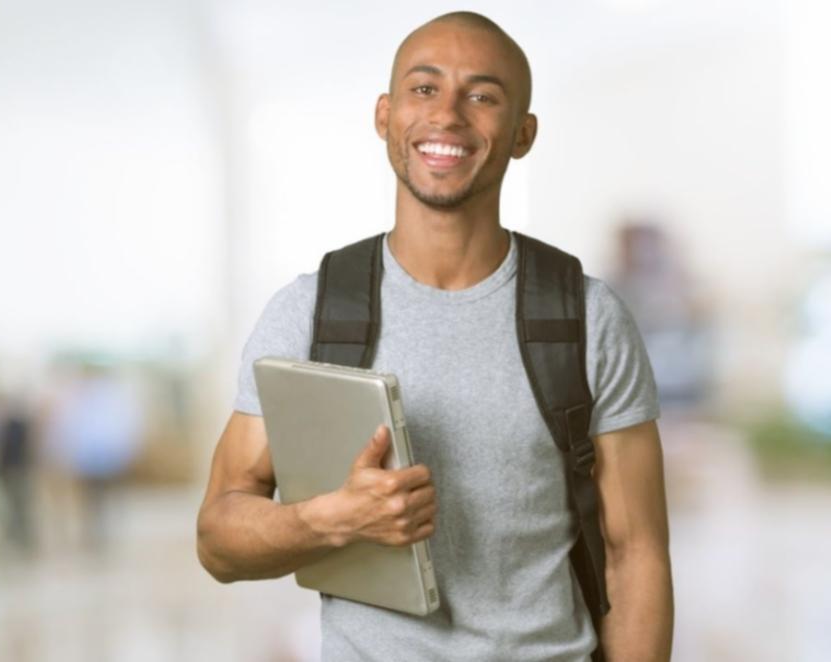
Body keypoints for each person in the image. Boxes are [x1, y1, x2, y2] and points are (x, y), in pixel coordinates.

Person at [196, 11, 673, 662]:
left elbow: (636, 552)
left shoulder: (587, 318)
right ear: (385, 116)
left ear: (522, 133)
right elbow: (219, 540)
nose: (447, 114)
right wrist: (329, 520)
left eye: (482, 95)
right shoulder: (306, 314)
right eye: (424, 89)